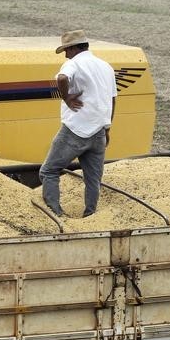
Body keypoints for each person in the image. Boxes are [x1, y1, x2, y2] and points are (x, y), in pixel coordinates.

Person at [39, 30, 117, 217]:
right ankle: (90, 215)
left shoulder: (73, 63)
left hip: (75, 130)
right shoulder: (106, 66)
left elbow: (62, 78)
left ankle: (55, 214)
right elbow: (113, 99)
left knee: (49, 171)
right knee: (93, 179)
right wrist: (107, 127)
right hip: (99, 131)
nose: (65, 54)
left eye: (66, 49)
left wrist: (66, 97)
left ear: (73, 48)